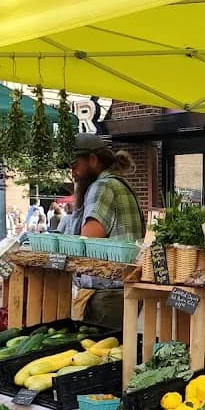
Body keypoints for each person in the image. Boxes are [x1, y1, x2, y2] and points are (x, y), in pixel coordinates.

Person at [69, 134, 145, 330]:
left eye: (75, 165)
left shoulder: (101, 187)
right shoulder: (121, 184)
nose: (72, 172)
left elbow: (86, 241)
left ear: (93, 160)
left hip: (107, 295)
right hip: (123, 291)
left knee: (100, 355)